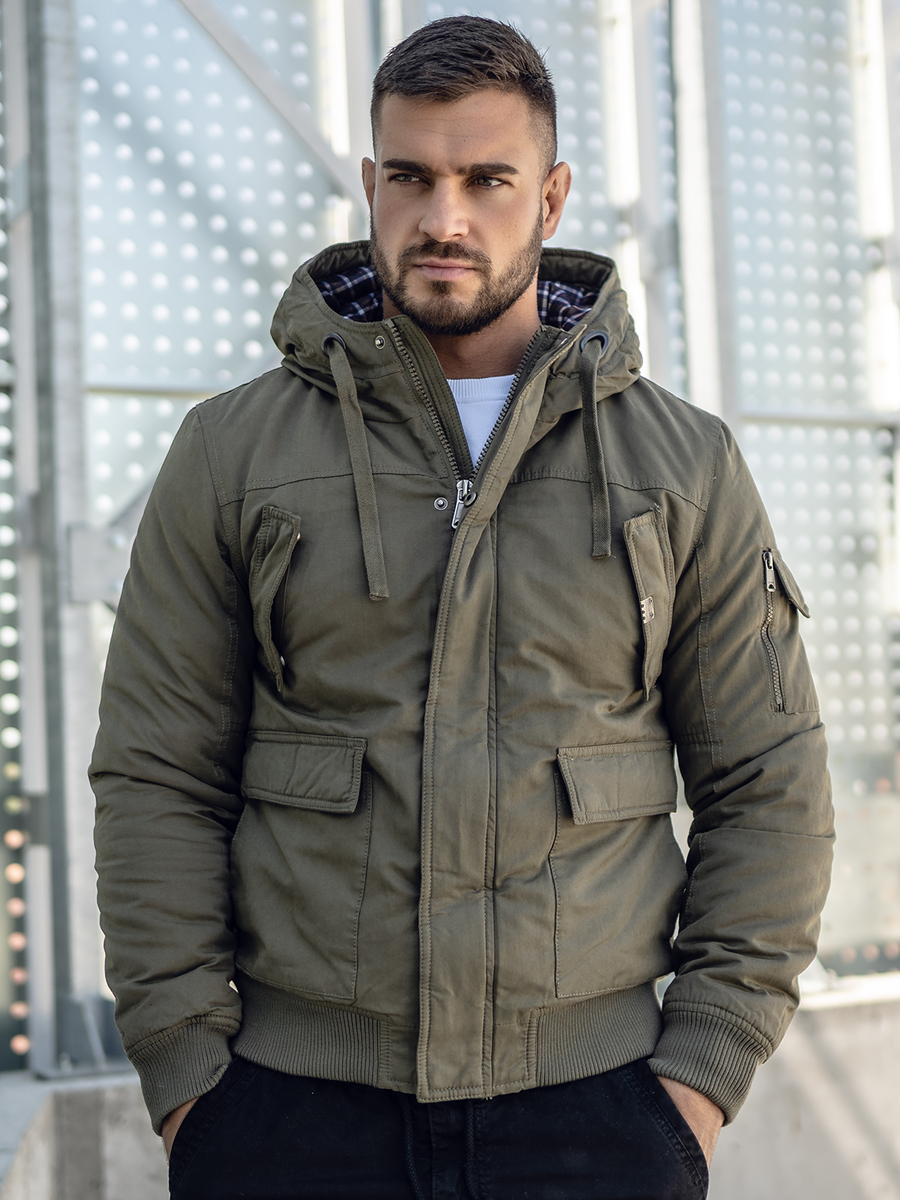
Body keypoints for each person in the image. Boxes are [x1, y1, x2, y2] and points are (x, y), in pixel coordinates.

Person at [91, 16, 833, 1200]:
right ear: (370, 184)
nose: (444, 218)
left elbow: (768, 778)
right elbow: (157, 771)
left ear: (550, 198)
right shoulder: (233, 454)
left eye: (487, 179)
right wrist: (188, 1076)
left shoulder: (681, 466)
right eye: (412, 177)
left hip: (597, 1111)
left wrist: (701, 1072)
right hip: (290, 1112)